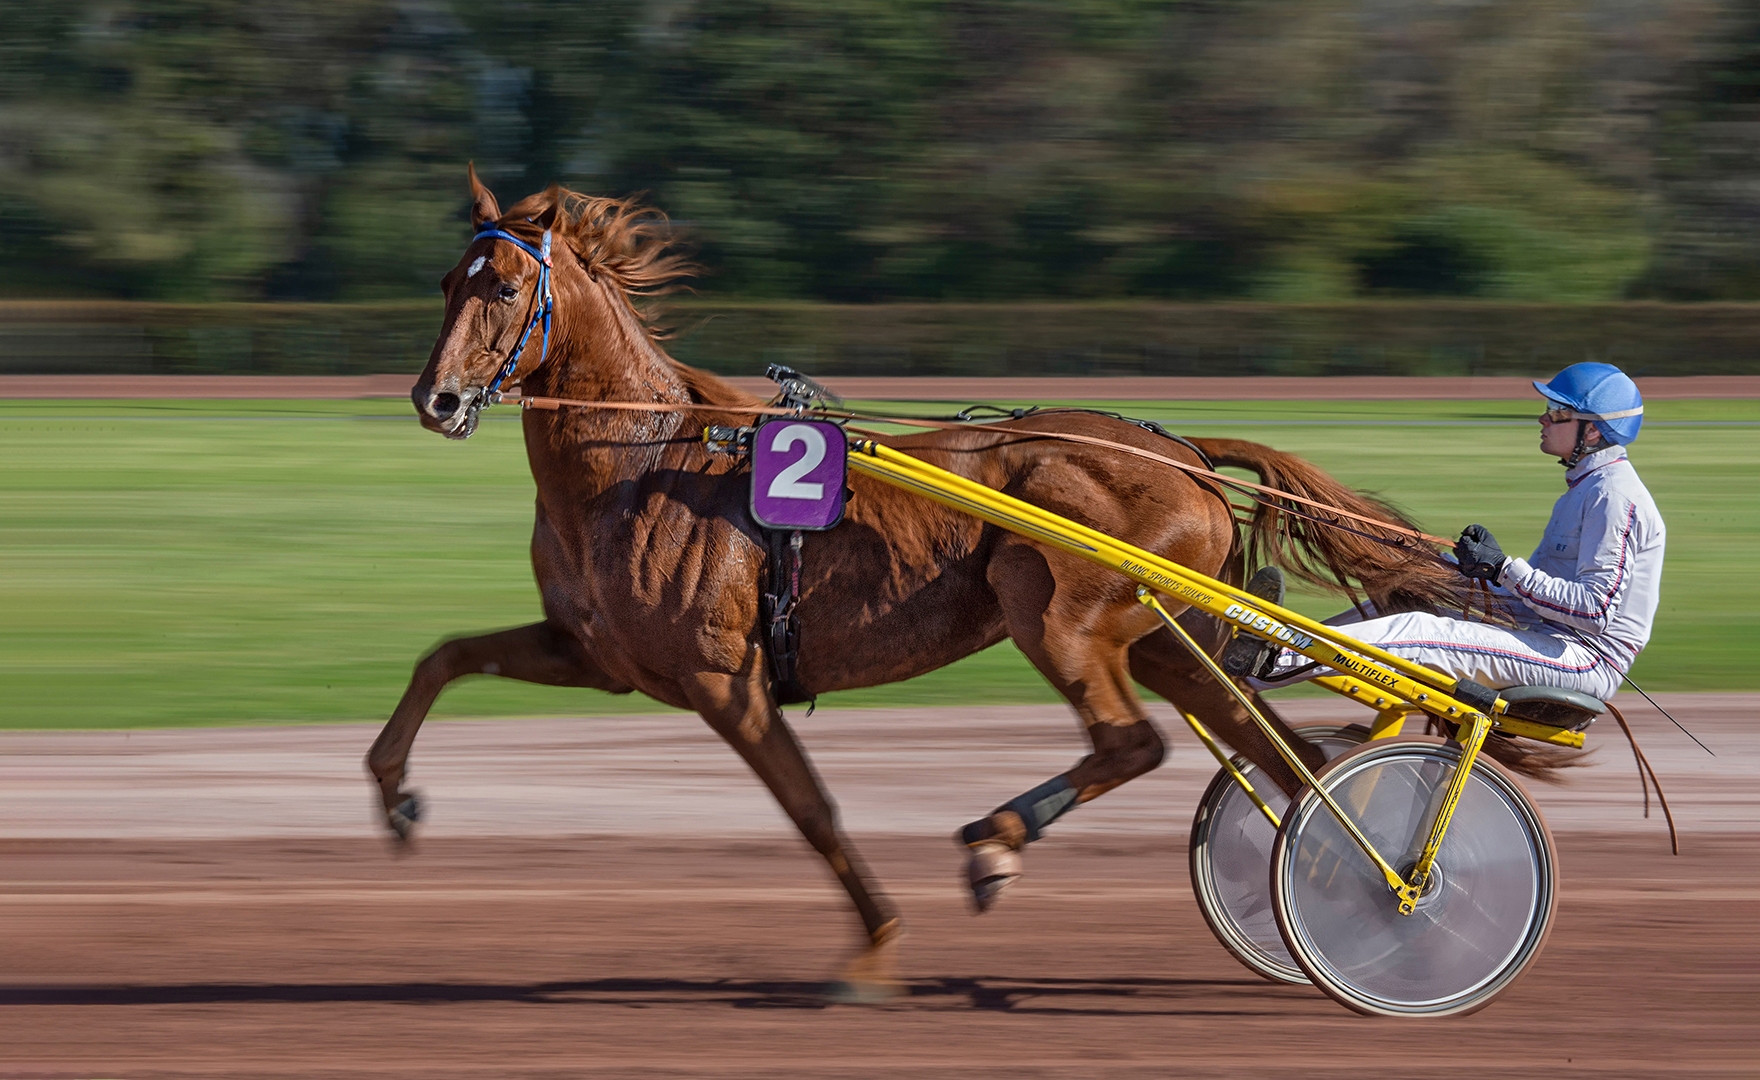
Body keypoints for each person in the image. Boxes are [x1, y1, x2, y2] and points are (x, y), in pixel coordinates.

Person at [1225, 362, 1665, 703]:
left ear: (1593, 430)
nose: (1543, 419)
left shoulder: (1614, 496)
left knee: (1417, 627)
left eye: (1558, 412)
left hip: (1583, 660)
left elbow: (1593, 611)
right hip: (1546, 632)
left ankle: (1279, 660)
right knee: (1405, 591)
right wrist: (1461, 567)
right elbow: (1548, 592)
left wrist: (1503, 568)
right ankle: (1271, 657)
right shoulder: (1585, 489)